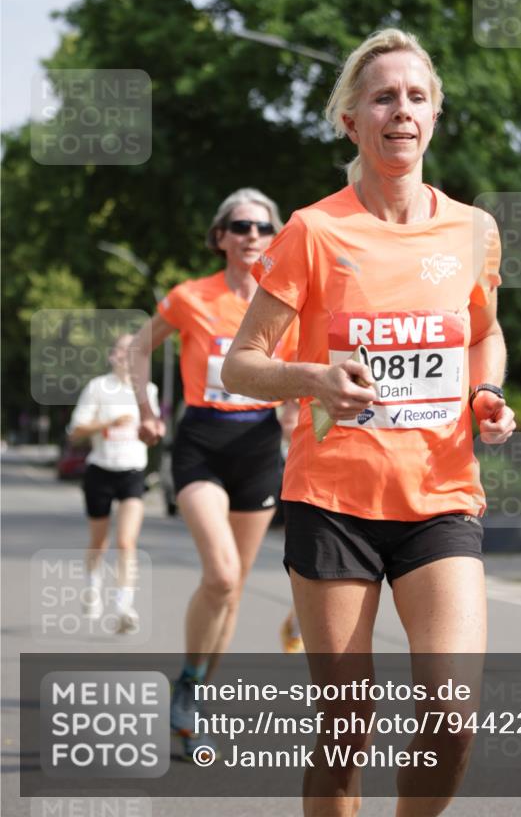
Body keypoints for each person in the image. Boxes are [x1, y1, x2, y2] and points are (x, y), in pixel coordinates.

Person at [223, 29, 516, 816]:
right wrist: (312, 375)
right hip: (333, 501)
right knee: (346, 724)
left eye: (416, 96)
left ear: (434, 116)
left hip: (440, 500)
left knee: (451, 716)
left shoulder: (471, 231)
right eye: (382, 96)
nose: (401, 110)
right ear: (350, 120)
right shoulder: (313, 231)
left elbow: (483, 331)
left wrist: (484, 394)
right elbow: (241, 362)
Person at [128, 188, 300, 759]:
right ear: (221, 236)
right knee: (221, 576)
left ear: (275, 238)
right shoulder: (190, 297)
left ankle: (194, 693)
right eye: (240, 226)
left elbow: (294, 385)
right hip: (201, 441)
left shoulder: (284, 305)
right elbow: (135, 350)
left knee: (235, 590)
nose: (252, 235)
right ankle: (188, 684)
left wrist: (301, 422)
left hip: (258, 445)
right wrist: (147, 412)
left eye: (262, 227)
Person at [68, 333, 159, 634]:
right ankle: (92, 587)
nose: (126, 356)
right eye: (122, 351)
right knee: (99, 541)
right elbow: (75, 431)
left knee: (126, 542)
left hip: (133, 471)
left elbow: (155, 427)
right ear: (112, 356)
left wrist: (154, 429)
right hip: (101, 471)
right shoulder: (97, 387)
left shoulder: (148, 390)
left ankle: (123, 606)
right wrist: (108, 423)